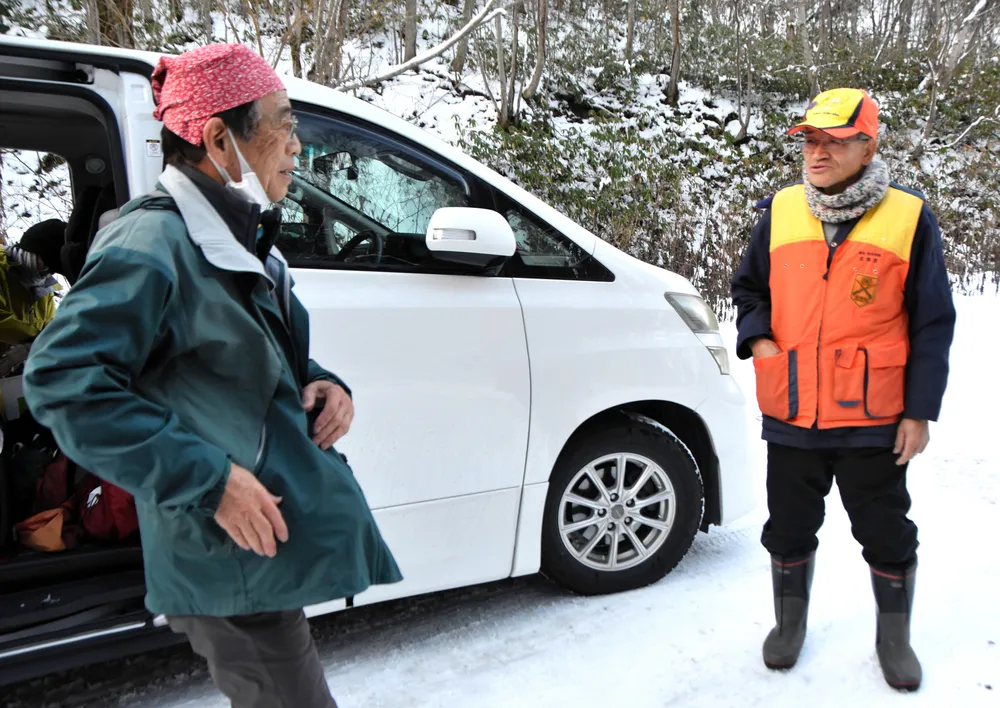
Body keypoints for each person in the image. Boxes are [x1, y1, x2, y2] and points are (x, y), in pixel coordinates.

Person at [22, 43, 402, 707]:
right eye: (283, 124)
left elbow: (234, 354)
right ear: (219, 139)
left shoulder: (237, 233)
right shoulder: (152, 244)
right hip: (222, 552)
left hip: (254, 544)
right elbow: (63, 380)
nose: (297, 146)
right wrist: (210, 481)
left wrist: (321, 381)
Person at [731, 88, 956, 691]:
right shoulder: (780, 211)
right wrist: (760, 341)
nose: (817, 152)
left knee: (886, 530)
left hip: (872, 416)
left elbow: (933, 322)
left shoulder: (909, 219)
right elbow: (749, 290)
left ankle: (893, 638)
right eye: (810, 139)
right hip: (792, 411)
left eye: (833, 140)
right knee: (788, 527)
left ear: (868, 147)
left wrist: (919, 411)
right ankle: (789, 626)